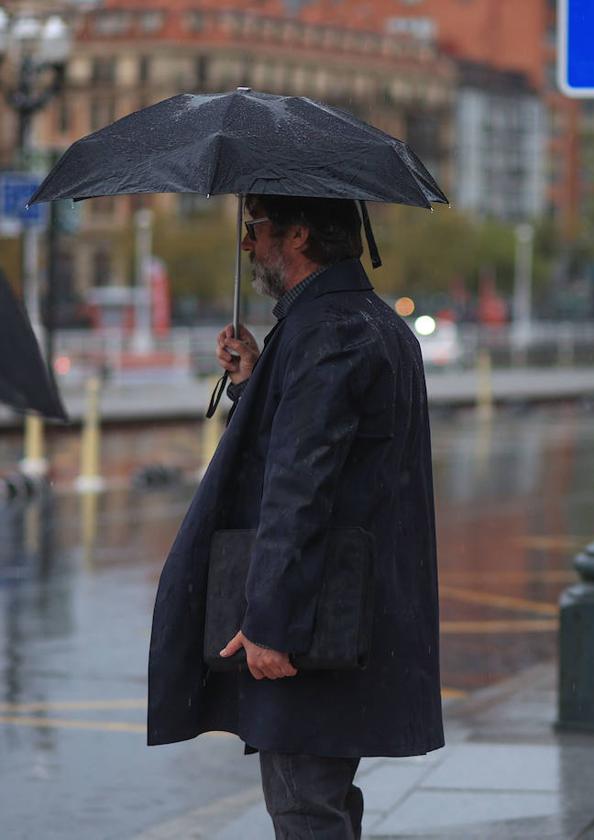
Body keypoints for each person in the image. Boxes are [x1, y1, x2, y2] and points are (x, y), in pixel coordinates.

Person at [147, 194, 442, 838]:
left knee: (304, 806)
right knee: (324, 798)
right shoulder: (368, 321)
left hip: (313, 615)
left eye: (256, 229)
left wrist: (270, 622)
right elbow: (336, 451)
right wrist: (257, 379)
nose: (248, 245)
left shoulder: (326, 330)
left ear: (299, 234)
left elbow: (300, 485)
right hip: (352, 604)